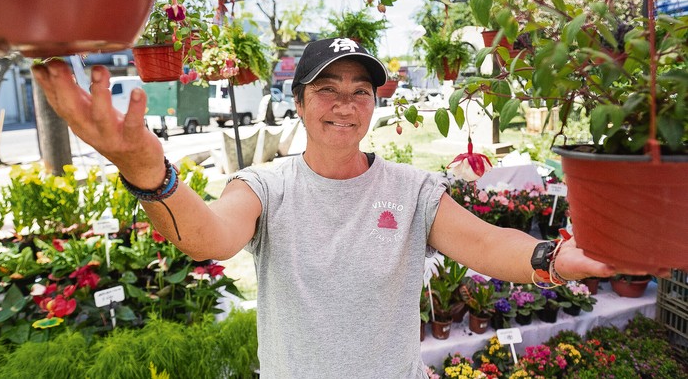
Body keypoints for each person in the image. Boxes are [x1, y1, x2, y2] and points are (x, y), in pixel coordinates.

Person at [33, 37, 619, 378]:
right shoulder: (264, 184)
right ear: (298, 102)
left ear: (375, 104)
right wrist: (145, 169)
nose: (345, 104)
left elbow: (488, 242)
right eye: (327, 89)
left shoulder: (412, 188)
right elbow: (210, 238)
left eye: (360, 90)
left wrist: (554, 257)